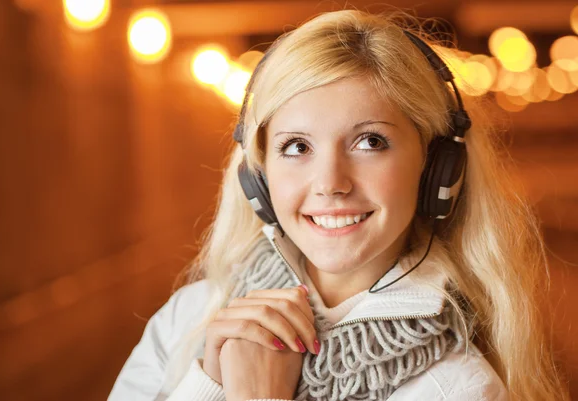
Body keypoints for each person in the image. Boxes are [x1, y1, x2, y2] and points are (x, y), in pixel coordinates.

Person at [107, 9, 570, 401]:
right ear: (257, 176)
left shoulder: (457, 387)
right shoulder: (187, 319)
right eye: (296, 146)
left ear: (436, 170)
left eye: (370, 141)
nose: (330, 184)